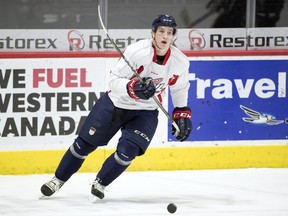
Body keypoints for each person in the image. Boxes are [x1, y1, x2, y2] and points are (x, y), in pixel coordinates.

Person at [40, 14, 193, 200]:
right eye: (161, 31)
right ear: (153, 33)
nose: (165, 36)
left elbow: (179, 88)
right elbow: (113, 81)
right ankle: (58, 179)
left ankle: (100, 183)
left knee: (128, 151)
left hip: (145, 111)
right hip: (115, 104)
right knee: (83, 145)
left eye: (170, 32)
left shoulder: (180, 62)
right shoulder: (137, 51)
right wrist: (133, 88)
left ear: (174, 36)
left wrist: (181, 114)